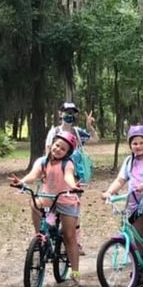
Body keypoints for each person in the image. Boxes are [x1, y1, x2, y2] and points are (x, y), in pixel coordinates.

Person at [10, 131, 83, 287]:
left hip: (66, 200)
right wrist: (21, 182)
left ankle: (75, 273)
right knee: (34, 203)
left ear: (67, 153)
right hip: (49, 200)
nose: (58, 150)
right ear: (51, 145)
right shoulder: (42, 161)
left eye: (63, 149)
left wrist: (73, 186)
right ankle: (40, 236)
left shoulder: (67, 164)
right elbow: (33, 175)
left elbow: (68, 176)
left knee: (69, 236)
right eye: (57, 145)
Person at [102, 124, 143, 286]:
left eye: (141, 143)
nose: (138, 146)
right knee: (136, 238)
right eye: (134, 143)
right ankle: (139, 272)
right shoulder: (129, 161)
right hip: (134, 201)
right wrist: (109, 192)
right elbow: (120, 180)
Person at [45, 102, 98, 255]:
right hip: (56, 176)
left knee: (74, 210)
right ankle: (49, 238)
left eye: (73, 112)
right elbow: (48, 152)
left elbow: (95, 139)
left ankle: (76, 242)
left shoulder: (77, 131)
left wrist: (90, 126)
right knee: (52, 209)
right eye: (66, 112)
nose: (70, 115)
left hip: (74, 177)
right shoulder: (54, 132)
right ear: (60, 113)